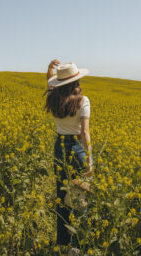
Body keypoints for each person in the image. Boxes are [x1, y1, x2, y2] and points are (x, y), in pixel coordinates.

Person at [43, 60, 94, 255]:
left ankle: (64, 242)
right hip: (77, 149)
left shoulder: (53, 98)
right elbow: (85, 133)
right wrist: (89, 159)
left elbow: (50, 84)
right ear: (76, 81)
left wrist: (49, 69)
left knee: (62, 195)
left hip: (59, 147)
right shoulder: (83, 101)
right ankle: (79, 244)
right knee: (80, 197)